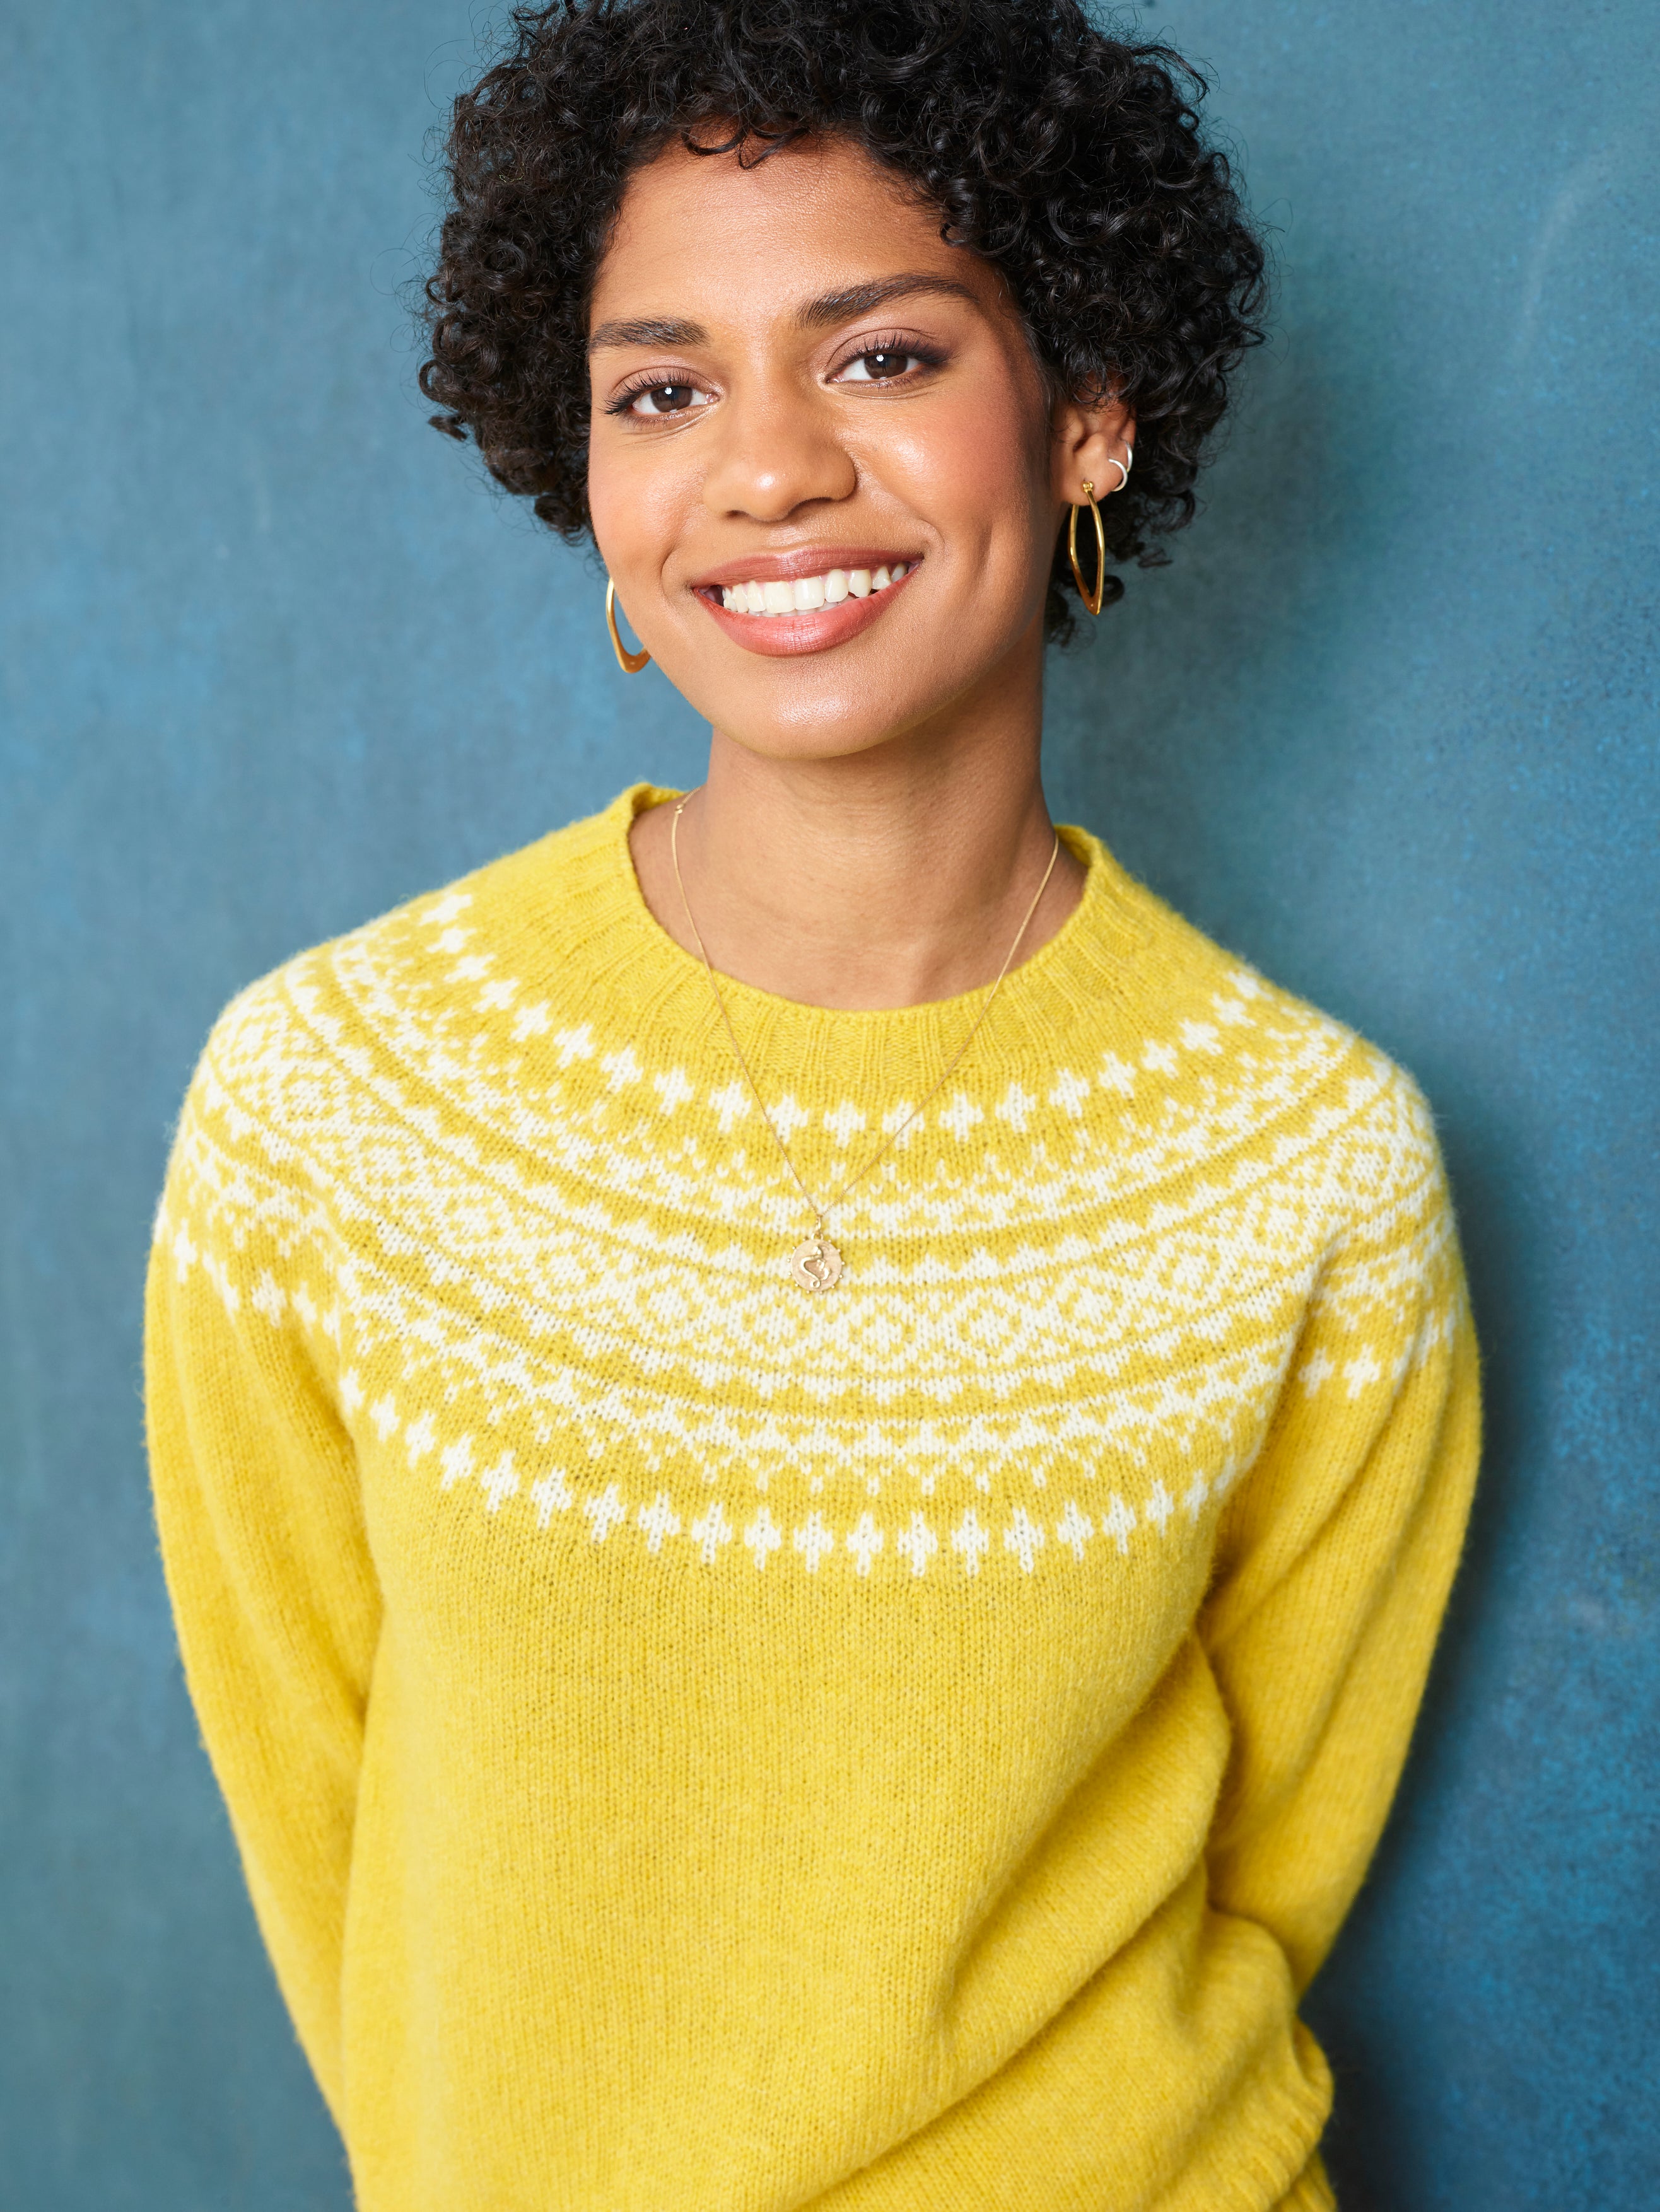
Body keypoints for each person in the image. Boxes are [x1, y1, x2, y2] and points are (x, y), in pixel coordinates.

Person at [143, 3, 1482, 2206]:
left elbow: (1278, 1862)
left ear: (1089, 423)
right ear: (590, 483)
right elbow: (333, 1856)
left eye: (881, 357)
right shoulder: (331, 1102)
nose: (765, 466)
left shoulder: (1311, 1165)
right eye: (663, 389)